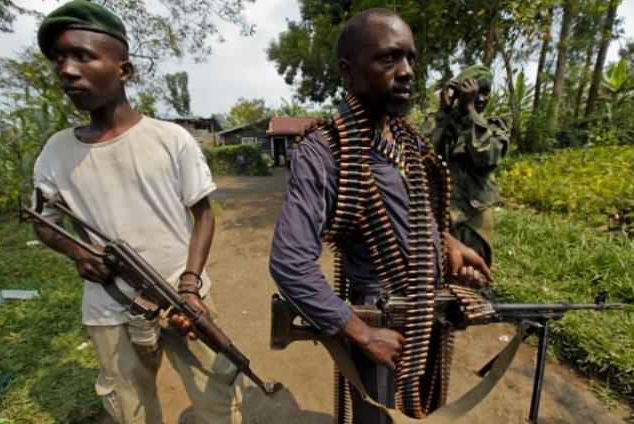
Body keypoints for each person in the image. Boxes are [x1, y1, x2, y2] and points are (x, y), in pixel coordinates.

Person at [269, 8, 491, 424]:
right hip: (385, 315)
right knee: (381, 418)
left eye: (410, 59)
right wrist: (364, 334)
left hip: (425, 309)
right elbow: (289, 262)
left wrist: (447, 243)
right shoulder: (325, 150)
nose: (406, 72)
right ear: (347, 71)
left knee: (422, 410)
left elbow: (408, 213)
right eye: (389, 58)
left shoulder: (406, 139)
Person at [32, 2, 242, 423]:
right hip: (109, 307)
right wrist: (77, 253)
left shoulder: (170, 139)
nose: (67, 70)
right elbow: (43, 223)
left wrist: (189, 285)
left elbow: (203, 216)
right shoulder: (56, 151)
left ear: (124, 70)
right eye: (59, 59)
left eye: (83, 56)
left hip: (182, 298)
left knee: (217, 399)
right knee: (131, 408)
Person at [422, 65, 510, 265]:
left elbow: (487, 156)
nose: (481, 99)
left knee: (471, 273)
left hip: (473, 218)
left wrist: (469, 113)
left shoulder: (494, 127)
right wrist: (443, 111)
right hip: (437, 215)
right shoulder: (443, 122)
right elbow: (422, 150)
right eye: (475, 93)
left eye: (485, 92)